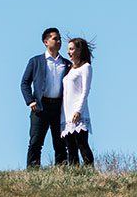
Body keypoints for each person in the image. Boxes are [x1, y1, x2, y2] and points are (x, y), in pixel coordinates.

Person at [21, 27, 70, 168]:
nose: (59, 41)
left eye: (59, 38)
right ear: (46, 41)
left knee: (60, 142)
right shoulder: (35, 61)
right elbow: (24, 82)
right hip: (40, 107)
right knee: (36, 141)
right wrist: (30, 101)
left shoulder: (66, 64)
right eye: (55, 38)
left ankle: (61, 170)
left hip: (59, 107)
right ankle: (33, 170)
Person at [61, 37, 94, 166]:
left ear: (79, 50)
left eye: (71, 49)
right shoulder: (70, 70)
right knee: (70, 146)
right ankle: (75, 173)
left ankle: (89, 169)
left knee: (82, 143)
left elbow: (85, 91)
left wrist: (79, 110)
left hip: (78, 111)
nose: (69, 52)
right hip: (66, 112)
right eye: (68, 49)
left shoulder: (86, 67)